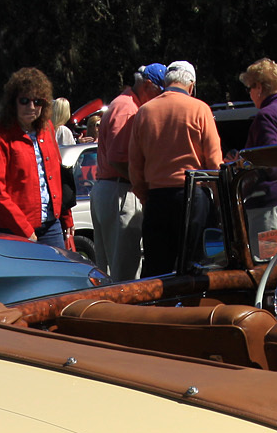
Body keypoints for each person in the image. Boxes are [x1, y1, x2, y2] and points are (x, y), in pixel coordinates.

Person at [127, 60, 222, 276]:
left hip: (157, 198)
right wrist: (218, 199)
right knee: (194, 267)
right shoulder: (200, 109)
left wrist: (145, 196)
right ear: (191, 85)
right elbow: (214, 162)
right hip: (192, 197)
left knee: (156, 270)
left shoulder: (144, 112)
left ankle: (159, 309)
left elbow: (135, 164)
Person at [0, 67, 73, 250]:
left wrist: (66, 217)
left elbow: (57, 176)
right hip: (11, 230)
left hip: (50, 226)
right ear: (13, 102)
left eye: (37, 101)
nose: (31, 107)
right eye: (24, 101)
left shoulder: (47, 129)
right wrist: (25, 230)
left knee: (58, 276)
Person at [92, 64, 163, 280]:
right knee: (124, 269)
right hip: (120, 190)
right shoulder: (128, 109)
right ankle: (124, 312)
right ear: (148, 85)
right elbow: (118, 158)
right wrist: (141, 185)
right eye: (160, 92)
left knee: (112, 266)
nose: (161, 98)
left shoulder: (123, 103)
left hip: (113, 189)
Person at [239, 57, 277, 240]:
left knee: (265, 263)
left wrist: (241, 163)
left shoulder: (267, 115)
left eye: (249, 88)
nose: (249, 94)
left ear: (259, 87)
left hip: (269, 201)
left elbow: (268, 160)